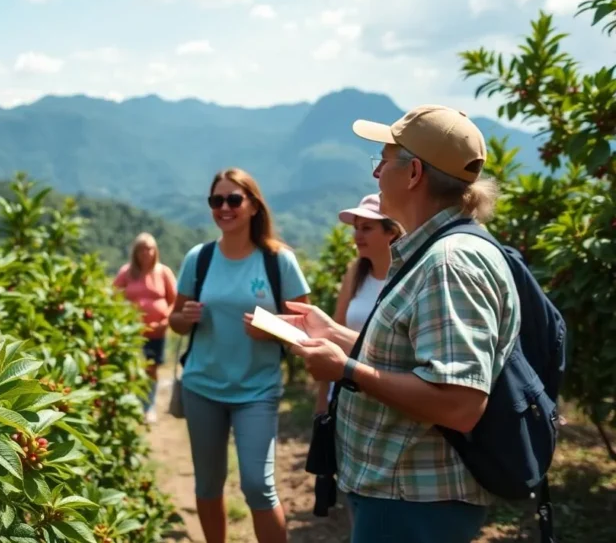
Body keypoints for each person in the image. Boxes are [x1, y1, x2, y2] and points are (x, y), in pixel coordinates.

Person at [281, 105, 519, 543]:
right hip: (402, 492)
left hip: (417, 500)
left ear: (413, 174)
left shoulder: (449, 263)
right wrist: (335, 335)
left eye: (383, 162)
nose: (376, 176)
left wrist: (345, 370)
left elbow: (459, 402)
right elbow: (411, 356)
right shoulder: (434, 253)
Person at [168, 168, 311, 543]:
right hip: (203, 387)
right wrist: (184, 317)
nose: (224, 207)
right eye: (217, 200)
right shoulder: (198, 259)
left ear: (253, 206)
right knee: (208, 484)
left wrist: (270, 329)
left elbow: (305, 325)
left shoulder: (278, 262)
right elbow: (176, 322)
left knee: (258, 486)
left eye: (234, 199)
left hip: (257, 390)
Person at [314, 193, 404, 416]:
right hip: (347, 390)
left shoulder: (408, 277)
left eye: (367, 228)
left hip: (389, 392)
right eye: (356, 228)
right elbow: (334, 331)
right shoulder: (355, 274)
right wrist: (323, 397)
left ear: (391, 232)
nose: (357, 236)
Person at [113, 232, 178, 423]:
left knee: (152, 368)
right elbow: (113, 296)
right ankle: (130, 405)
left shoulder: (163, 272)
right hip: (130, 333)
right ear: (135, 251)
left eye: (149, 248)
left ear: (155, 250)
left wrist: (165, 320)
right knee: (130, 368)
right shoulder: (126, 272)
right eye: (141, 248)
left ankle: (148, 406)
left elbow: (175, 300)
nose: (145, 253)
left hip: (156, 331)